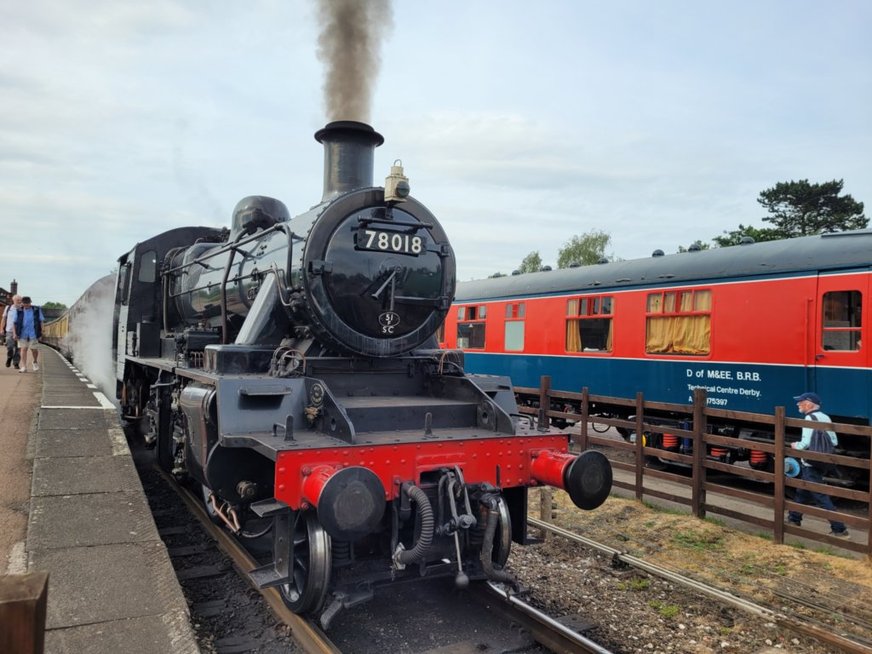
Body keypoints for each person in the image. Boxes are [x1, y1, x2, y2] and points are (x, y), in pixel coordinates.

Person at [786, 391, 849, 538]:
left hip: (810, 462)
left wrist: (795, 445)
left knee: (820, 496)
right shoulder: (826, 417)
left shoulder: (809, 418)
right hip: (823, 461)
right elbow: (834, 442)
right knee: (803, 491)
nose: (798, 404)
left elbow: (805, 443)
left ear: (808, 403)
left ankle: (839, 528)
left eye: (800, 402)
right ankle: (794, 518)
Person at [10, 296, 44, 373]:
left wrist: (42, 332)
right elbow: (14, 323)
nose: (26, 305)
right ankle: (24, 367)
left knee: (34, 349)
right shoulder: (18, 310)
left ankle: (34, 362)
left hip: (34, 333)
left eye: (27, 304)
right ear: (22, 303)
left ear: (30, 303)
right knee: (23, 349)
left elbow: (41, 321)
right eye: (24, 304)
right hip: (22, 333)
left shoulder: (36, 310)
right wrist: (14, 333)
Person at [1, 295, 22, 368]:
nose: (19, 301)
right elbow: (3, 319)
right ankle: (9, 357)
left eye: (20, 300)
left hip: (20, 332)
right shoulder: (8, 308)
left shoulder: (22, 309)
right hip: (9, 330)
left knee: (18, 348)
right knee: (10, 346)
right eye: (18, 300)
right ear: (13, 301)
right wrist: (1, 329)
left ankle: (16, 363)